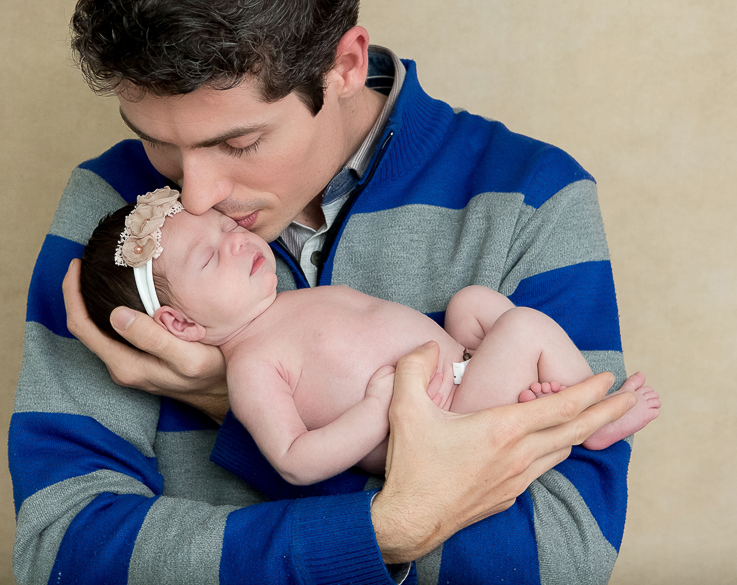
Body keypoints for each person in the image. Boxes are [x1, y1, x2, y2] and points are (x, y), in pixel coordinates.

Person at [9, 0, 640, 585]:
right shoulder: (119, 221)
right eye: (158, 143)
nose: (196, 194)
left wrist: (228, 406)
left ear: (342, 64)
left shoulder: (533, 197)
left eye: (238, 143)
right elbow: (63, 555)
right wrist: (384, 525)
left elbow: (556, 560)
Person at [79, 188, 661, 487]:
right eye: (211, 257)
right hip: (440, 429)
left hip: (459, 378)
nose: (237, 240)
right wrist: (379, 409)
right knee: (522, 324)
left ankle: (536, 397)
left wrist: (460, 350)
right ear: (179, 324)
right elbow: (294, 462)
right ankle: (595, 414)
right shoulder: (253, 365)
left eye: (226, 226)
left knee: (473, 304)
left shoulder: (286, 304)